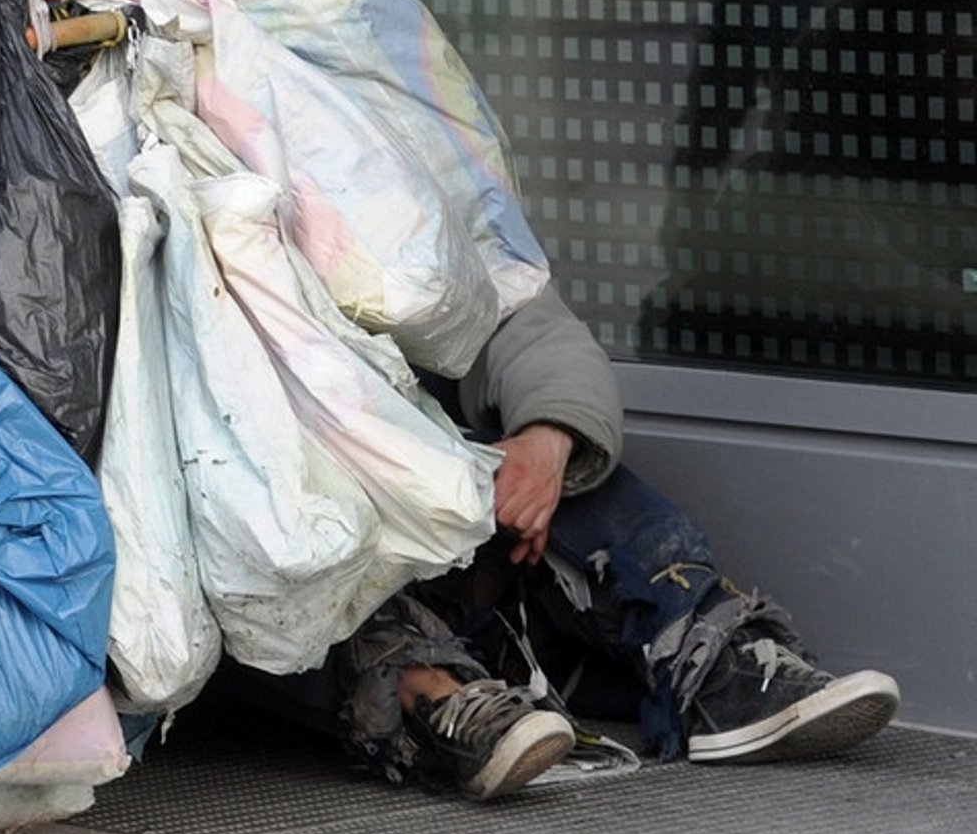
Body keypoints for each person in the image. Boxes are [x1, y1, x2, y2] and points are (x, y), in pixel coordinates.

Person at [245, 287, 902, 801]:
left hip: (494, 559)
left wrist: (548, 438)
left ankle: (708, 659)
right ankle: (438, 701)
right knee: (276, 536)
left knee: (570, 466)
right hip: (333, 579)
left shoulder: (369, 193)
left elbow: (526, 320)